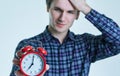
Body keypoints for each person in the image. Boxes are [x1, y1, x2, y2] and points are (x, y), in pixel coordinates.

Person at [10, 0, 120, 76]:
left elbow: (118, 40)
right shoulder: (28, 46)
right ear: (48, 8)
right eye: (57, 9)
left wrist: (85, 8)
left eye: (70, 12)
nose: (62, 18)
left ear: (77, 15)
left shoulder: (86, 44)